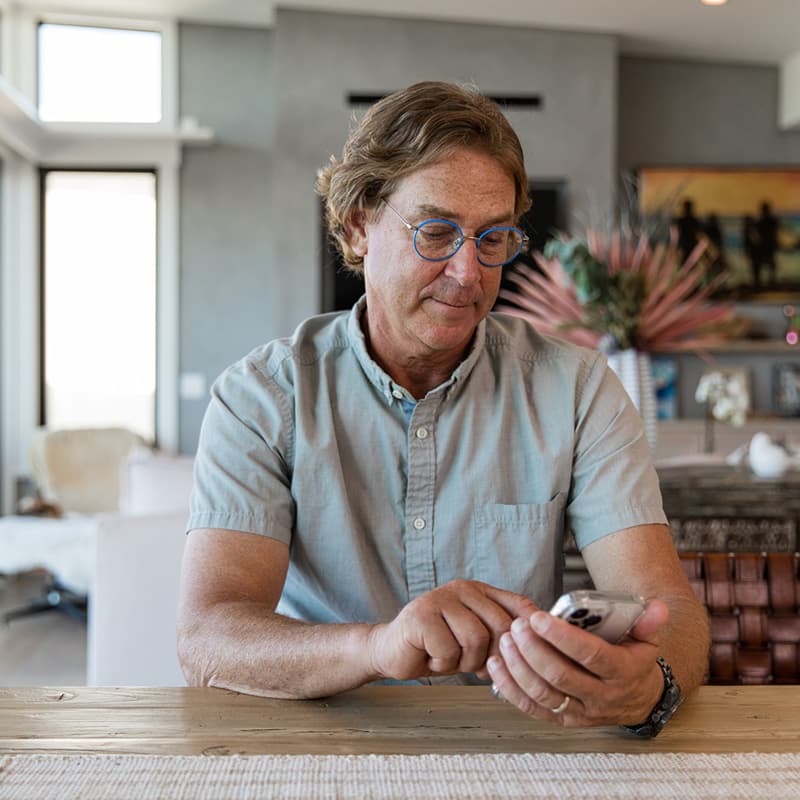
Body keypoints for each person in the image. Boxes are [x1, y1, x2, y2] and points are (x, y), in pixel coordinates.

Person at [177, 81, 709, 733]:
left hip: (518, 742)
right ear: (358, 224)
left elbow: (671, 613)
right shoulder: (262, 397)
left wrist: (649, 685)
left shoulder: (575, 387)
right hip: (321, 743)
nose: (469, 272)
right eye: (436, 232)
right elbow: (207, 640)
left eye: (493, 240)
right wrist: (377, 647)